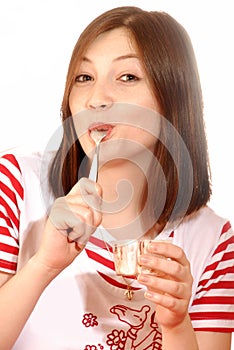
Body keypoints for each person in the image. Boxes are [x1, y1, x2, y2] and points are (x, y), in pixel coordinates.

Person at [0, 6, 233, 350]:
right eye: (84, 78)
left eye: (127, 77)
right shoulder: (17, 185)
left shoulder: (212, 242)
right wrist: (43, 266)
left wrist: (175, 324)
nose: (96, 99)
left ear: (173, 98)